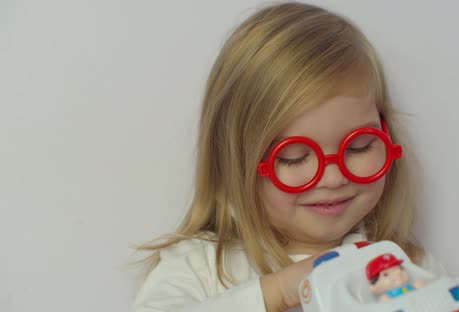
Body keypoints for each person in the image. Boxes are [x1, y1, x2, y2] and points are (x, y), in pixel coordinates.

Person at [134, 2, 440, 311]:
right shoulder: (199, 268)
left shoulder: (406, 267)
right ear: (236, 165)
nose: (334, 178)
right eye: (293, 157)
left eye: (358, 146)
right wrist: (277, 292)